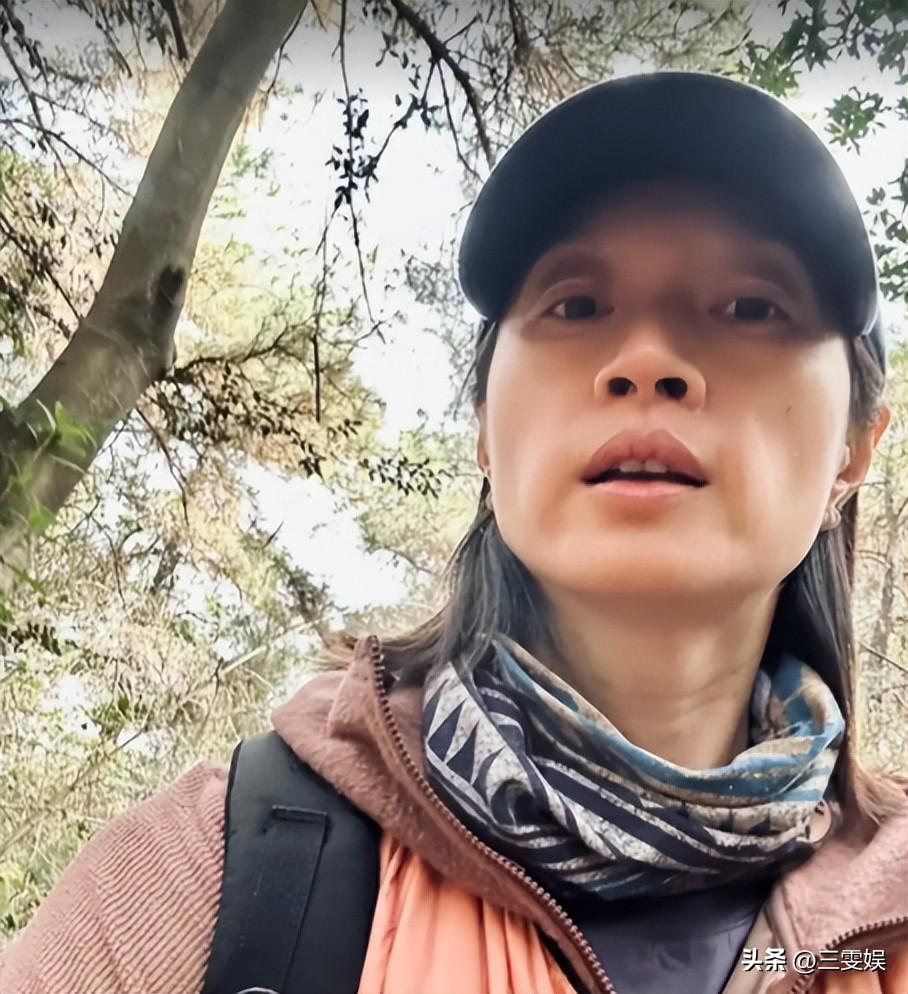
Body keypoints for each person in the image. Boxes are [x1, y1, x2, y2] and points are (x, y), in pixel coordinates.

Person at [1, 70, 907, 994]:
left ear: (855, 448)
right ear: (484, 430)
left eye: (753, 307)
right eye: (576, 305)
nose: (647, 361)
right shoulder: (198, 877)